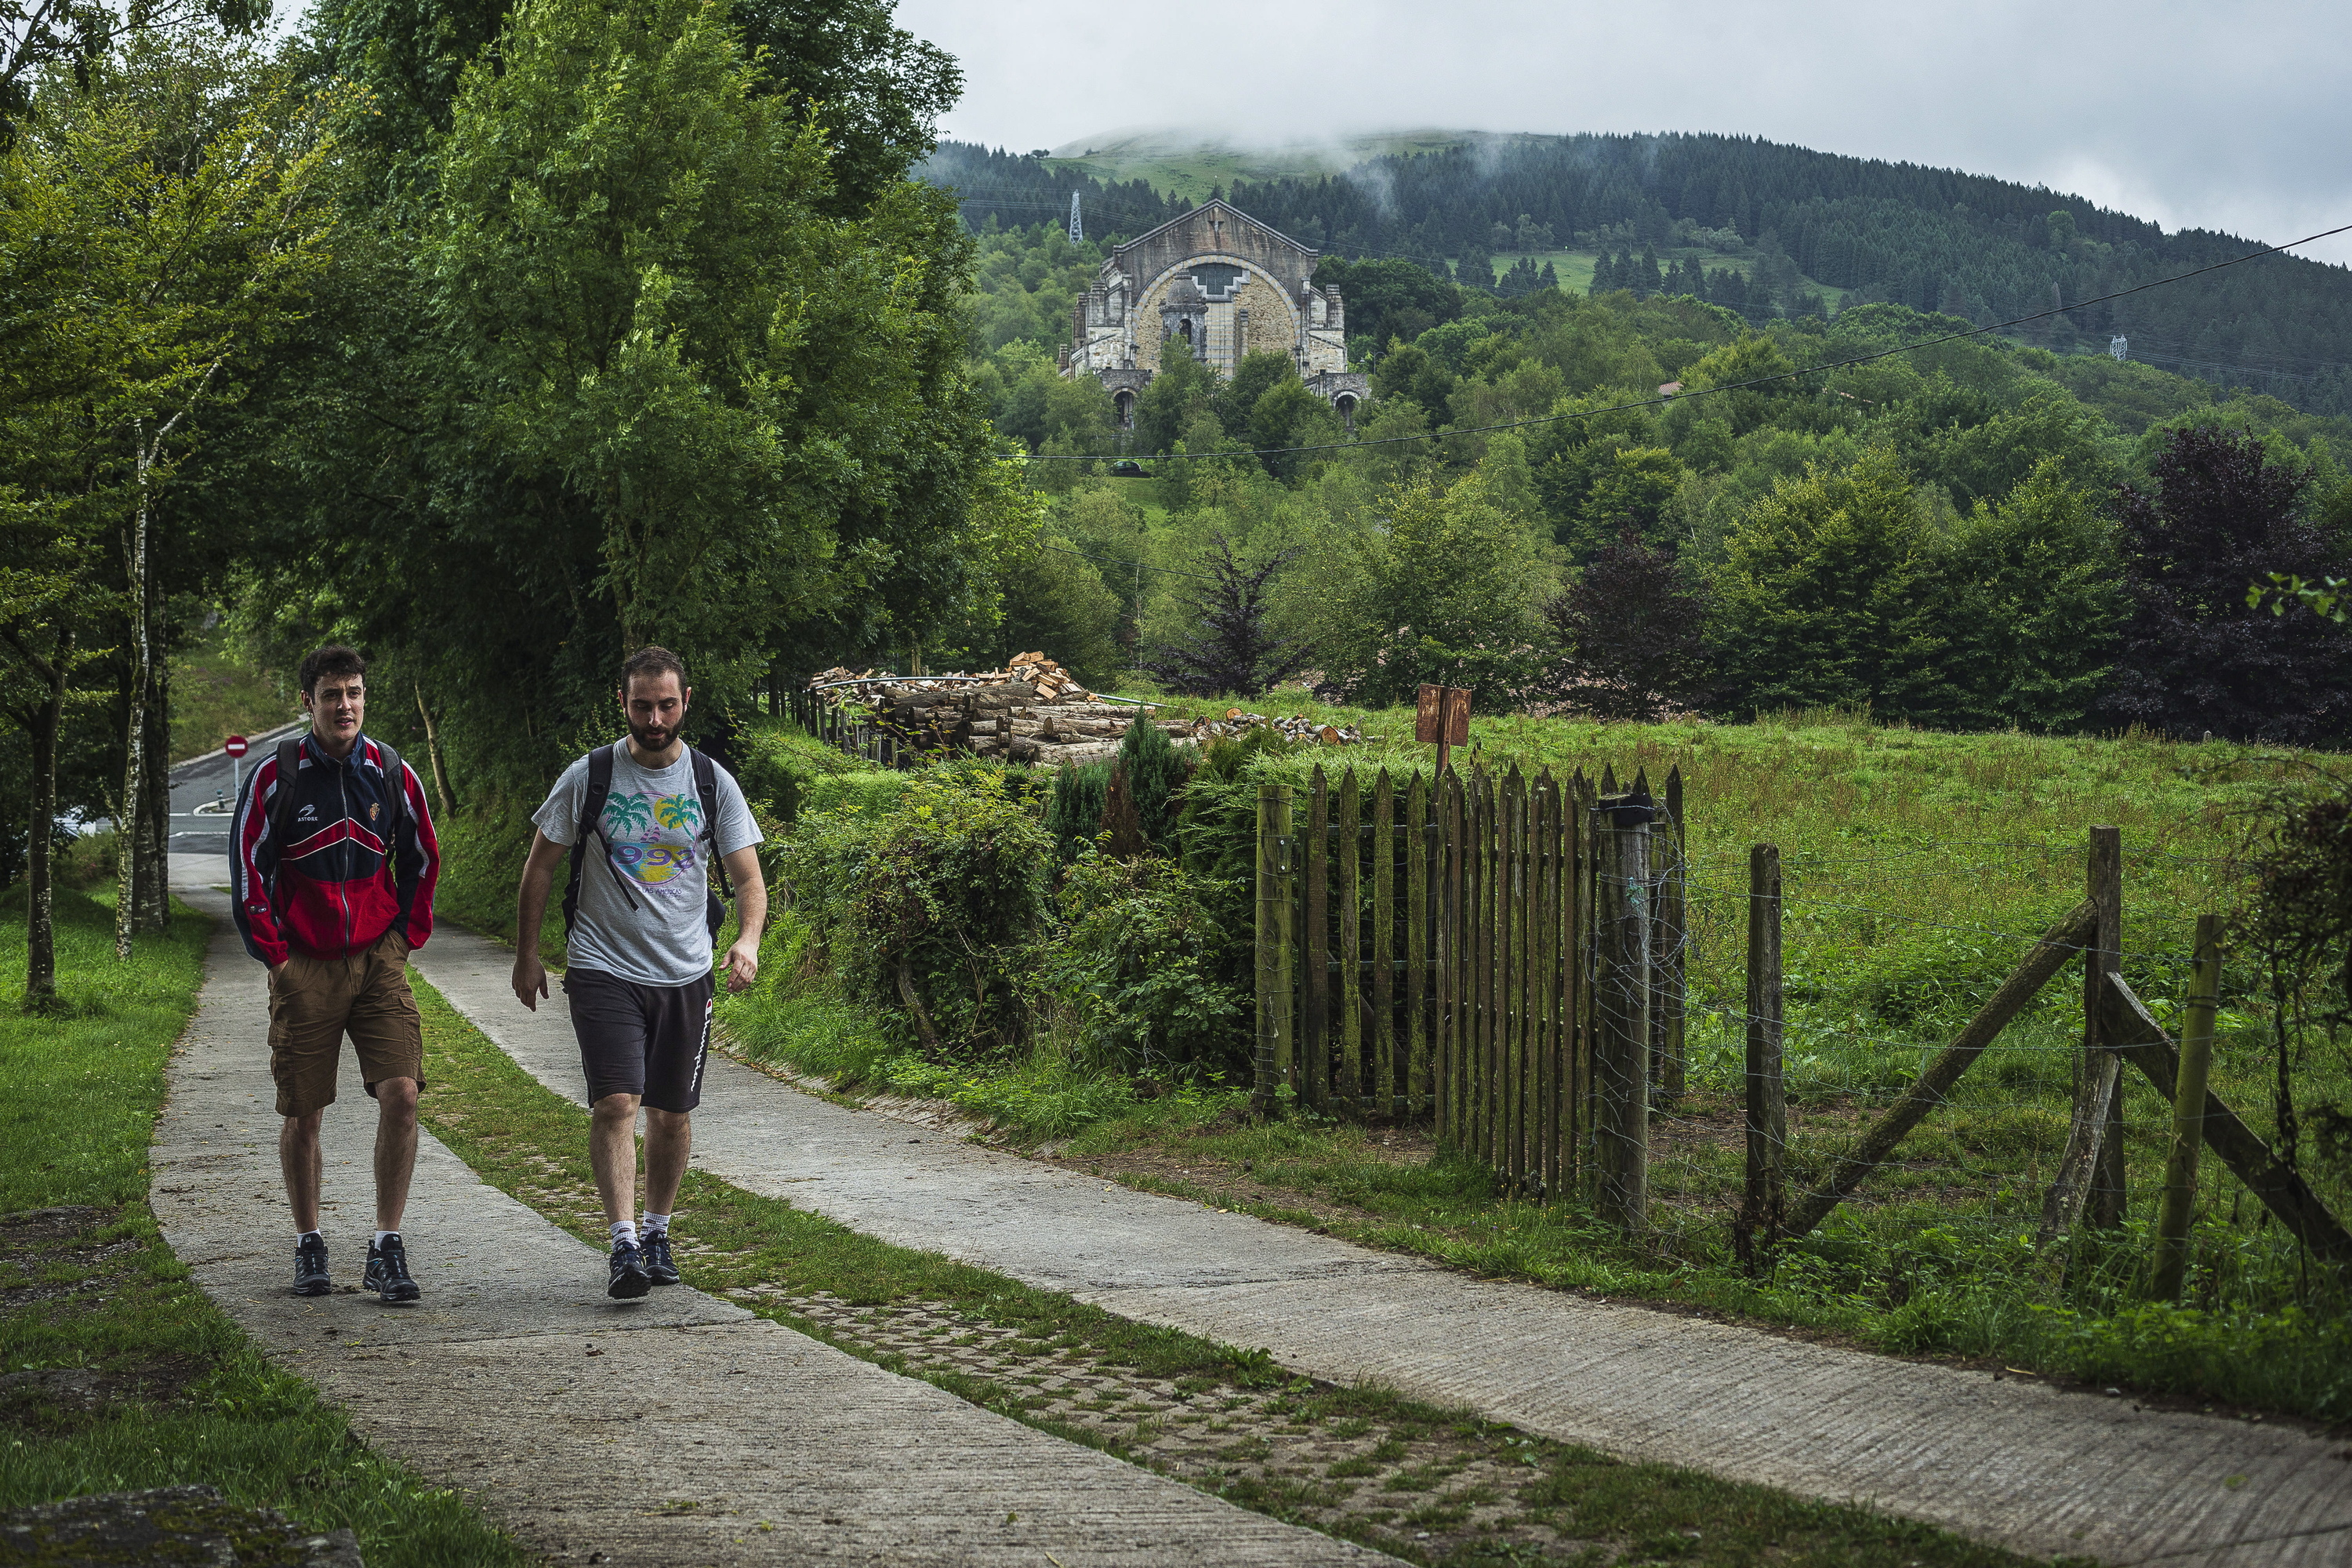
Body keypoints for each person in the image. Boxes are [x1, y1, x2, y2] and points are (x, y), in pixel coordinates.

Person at [510, 646, 767, 1299]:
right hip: (604, 966)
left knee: (672, 1114)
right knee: (617, 1101)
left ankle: (658, 1230)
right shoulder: (590, 776)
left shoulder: (711, 782)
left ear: (686, 703)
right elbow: (540, 866)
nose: (655, 718)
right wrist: (528, 952)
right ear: (622, 703)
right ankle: (623, 1243)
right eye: (642, 705)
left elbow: (747, 878)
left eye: (666, 705)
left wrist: (748, 940)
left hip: (686, 972)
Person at [232, 644, 440, 1303]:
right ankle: (309, 1243)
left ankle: (386, 1246)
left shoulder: (393, 773)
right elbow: (247, 874)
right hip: (306, 966)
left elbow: (423, 859)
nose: (344, 706)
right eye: (330, 695)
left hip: (378, 958)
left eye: (353, 692)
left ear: (363, 696)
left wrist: (406, 936)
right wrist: (277, 958)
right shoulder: (275, 778)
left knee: (402, 1092)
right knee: (305, 1109)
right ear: (308, 703)